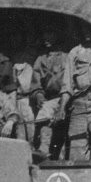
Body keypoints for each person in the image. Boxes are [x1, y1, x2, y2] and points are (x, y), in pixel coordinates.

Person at [60, 26, 91, 160]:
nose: (87, 32)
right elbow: (67, 85)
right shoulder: (75, 52)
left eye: (90, 28)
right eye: (84, 28)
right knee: (76, 153)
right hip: (78, 109)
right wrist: (62, 107)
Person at [31, 24, 68, 160]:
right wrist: (39, 95)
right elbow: (35, 83)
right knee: (44, 113)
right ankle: (43, 149)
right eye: (44, 34)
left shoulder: (67, 57)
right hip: (49, 98)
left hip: (66, 96)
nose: (45, 38)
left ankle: (59, 155)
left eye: (50, 33)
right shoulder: (41, 59)